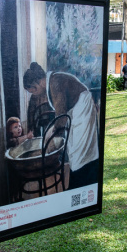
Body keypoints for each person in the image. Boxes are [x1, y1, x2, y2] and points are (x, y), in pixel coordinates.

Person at [23, 62, 99, 190]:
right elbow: (61, 114)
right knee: (74, 150)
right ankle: (77, 184)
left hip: (83, 108)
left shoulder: (55, 82)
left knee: (81, 151)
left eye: (33, 92)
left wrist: (51, 135)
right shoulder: (51, 81)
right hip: (75, 112)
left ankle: (81, 184)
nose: (35, 95)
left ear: (36, 85)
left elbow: (61, 116)